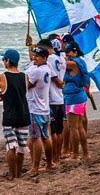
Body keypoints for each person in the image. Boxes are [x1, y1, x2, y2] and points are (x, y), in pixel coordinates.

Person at [0, 49, 30, 180]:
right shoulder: (25, 76)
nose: (3, 62)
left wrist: (3, 96)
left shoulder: (1, 77)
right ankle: (18, 174)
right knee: (21, 147)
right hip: (24, 114)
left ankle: (12, 174)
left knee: (11, 146)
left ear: (8, 61)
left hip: (9, 116)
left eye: (4, 59)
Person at [25, 45, 53, 173]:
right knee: (46, 137)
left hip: (35, 109)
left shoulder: (36, 71)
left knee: (35, 138)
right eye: (34, 56)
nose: (34, 58)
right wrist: (30, 49)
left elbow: (26, 85)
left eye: (37, 57)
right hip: (45, 108)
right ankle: (49, 163)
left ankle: (35, 167)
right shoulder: (47, 68)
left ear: (44, 58)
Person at [40, 37, 66, 165]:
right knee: (59, 131)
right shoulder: (61, 59)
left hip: (52, 99)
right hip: (60, 99)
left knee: (53, 131)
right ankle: (58, 157)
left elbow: (55, 79)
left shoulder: (49, 60)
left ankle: (54, 158)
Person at [63, 41, 90, 160]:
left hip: (74, 98)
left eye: (68, 52)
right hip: (80, 95)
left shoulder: (73, 64)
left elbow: (58, 64)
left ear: (75, 51)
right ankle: (85, 153)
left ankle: (75, 154)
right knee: (79, 127)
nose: (66, 54)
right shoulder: (81, 62)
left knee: (73, 127)